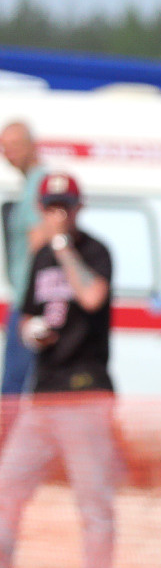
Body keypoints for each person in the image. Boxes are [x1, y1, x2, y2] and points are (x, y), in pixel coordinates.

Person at [0, 173, 116, 568]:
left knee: (93, 502)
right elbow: (27, 313)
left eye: (65, 206)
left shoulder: (94, 251)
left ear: (78, 207)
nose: (58, 214)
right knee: (8, 489)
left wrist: (65, 246)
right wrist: (32, 331)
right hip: (43, 394)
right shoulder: (40, 256)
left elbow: (90, 297)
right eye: (51, 206)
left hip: (86, 394)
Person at [1, 119, 39, 403]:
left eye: (14, 146)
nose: (8, 153)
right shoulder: (28, 185)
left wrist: (30, 306)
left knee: (14, 390)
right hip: (24, 298)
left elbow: (40, 246)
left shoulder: (39, 185)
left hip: (30, 301)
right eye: (4, 147)